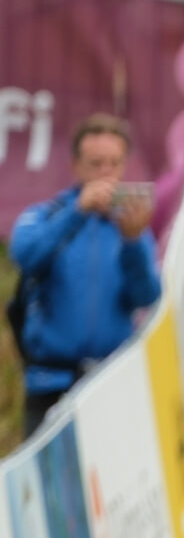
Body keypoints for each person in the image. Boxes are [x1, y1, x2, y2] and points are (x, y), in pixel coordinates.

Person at [9, 114, 161, 439]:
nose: (106, 173)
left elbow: (147, 296)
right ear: (76, 166)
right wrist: (77, 212)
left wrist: (133, 242)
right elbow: (25, 255)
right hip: (51, 386)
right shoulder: (48, 215)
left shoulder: (131, 227)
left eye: (114, 163)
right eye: (96, 164)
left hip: (109, 384)